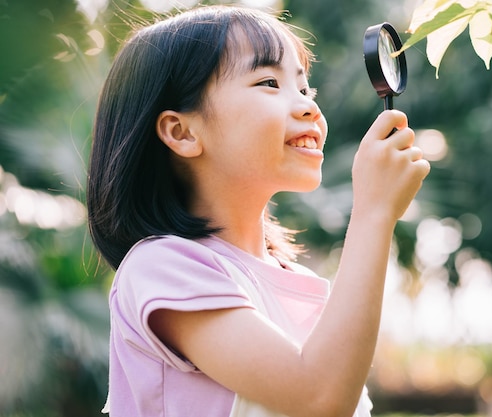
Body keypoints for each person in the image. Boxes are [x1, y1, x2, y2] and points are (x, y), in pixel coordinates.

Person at [87, 4, 430, 417]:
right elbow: (320, 397)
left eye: (305, 89)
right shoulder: (161, 267)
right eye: (269, 82)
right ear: (182, 132)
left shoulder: (301, 283)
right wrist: (374, 213)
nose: (309, 108)